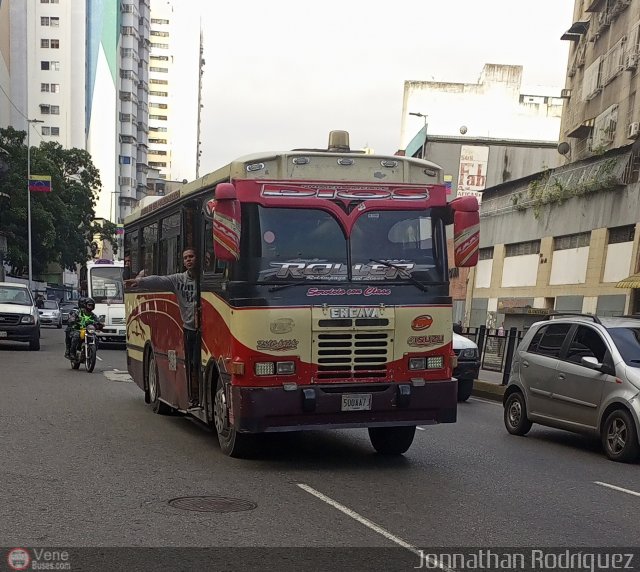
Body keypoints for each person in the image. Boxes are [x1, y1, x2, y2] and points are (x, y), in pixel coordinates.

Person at [124, 248, 200, 407]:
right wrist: (140, 281)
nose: (189, 260)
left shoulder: (205, 280)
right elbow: (160, 280)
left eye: (191, 257)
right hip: (189, 328)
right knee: (191, 363)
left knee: (199, 363)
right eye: (186, 257)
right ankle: (193, 397)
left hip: (204, 330)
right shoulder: (179, 279)